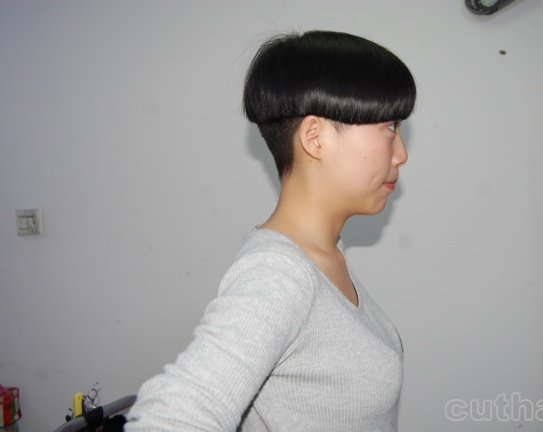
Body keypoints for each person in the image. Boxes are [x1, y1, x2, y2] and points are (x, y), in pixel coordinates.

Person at [126, 29, 416, 431]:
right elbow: (170, 420)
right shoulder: (279, 273)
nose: (401, 154)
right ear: (315, 137)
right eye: (390, 127)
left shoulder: (324, 256)